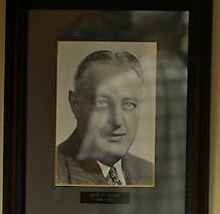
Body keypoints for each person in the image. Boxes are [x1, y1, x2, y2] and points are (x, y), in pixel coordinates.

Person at [56, 50, 154, 186]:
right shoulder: (54, 171)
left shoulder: (150, 173)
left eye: (129, 104)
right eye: (102, 103)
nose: (118, 121)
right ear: (75, 104)